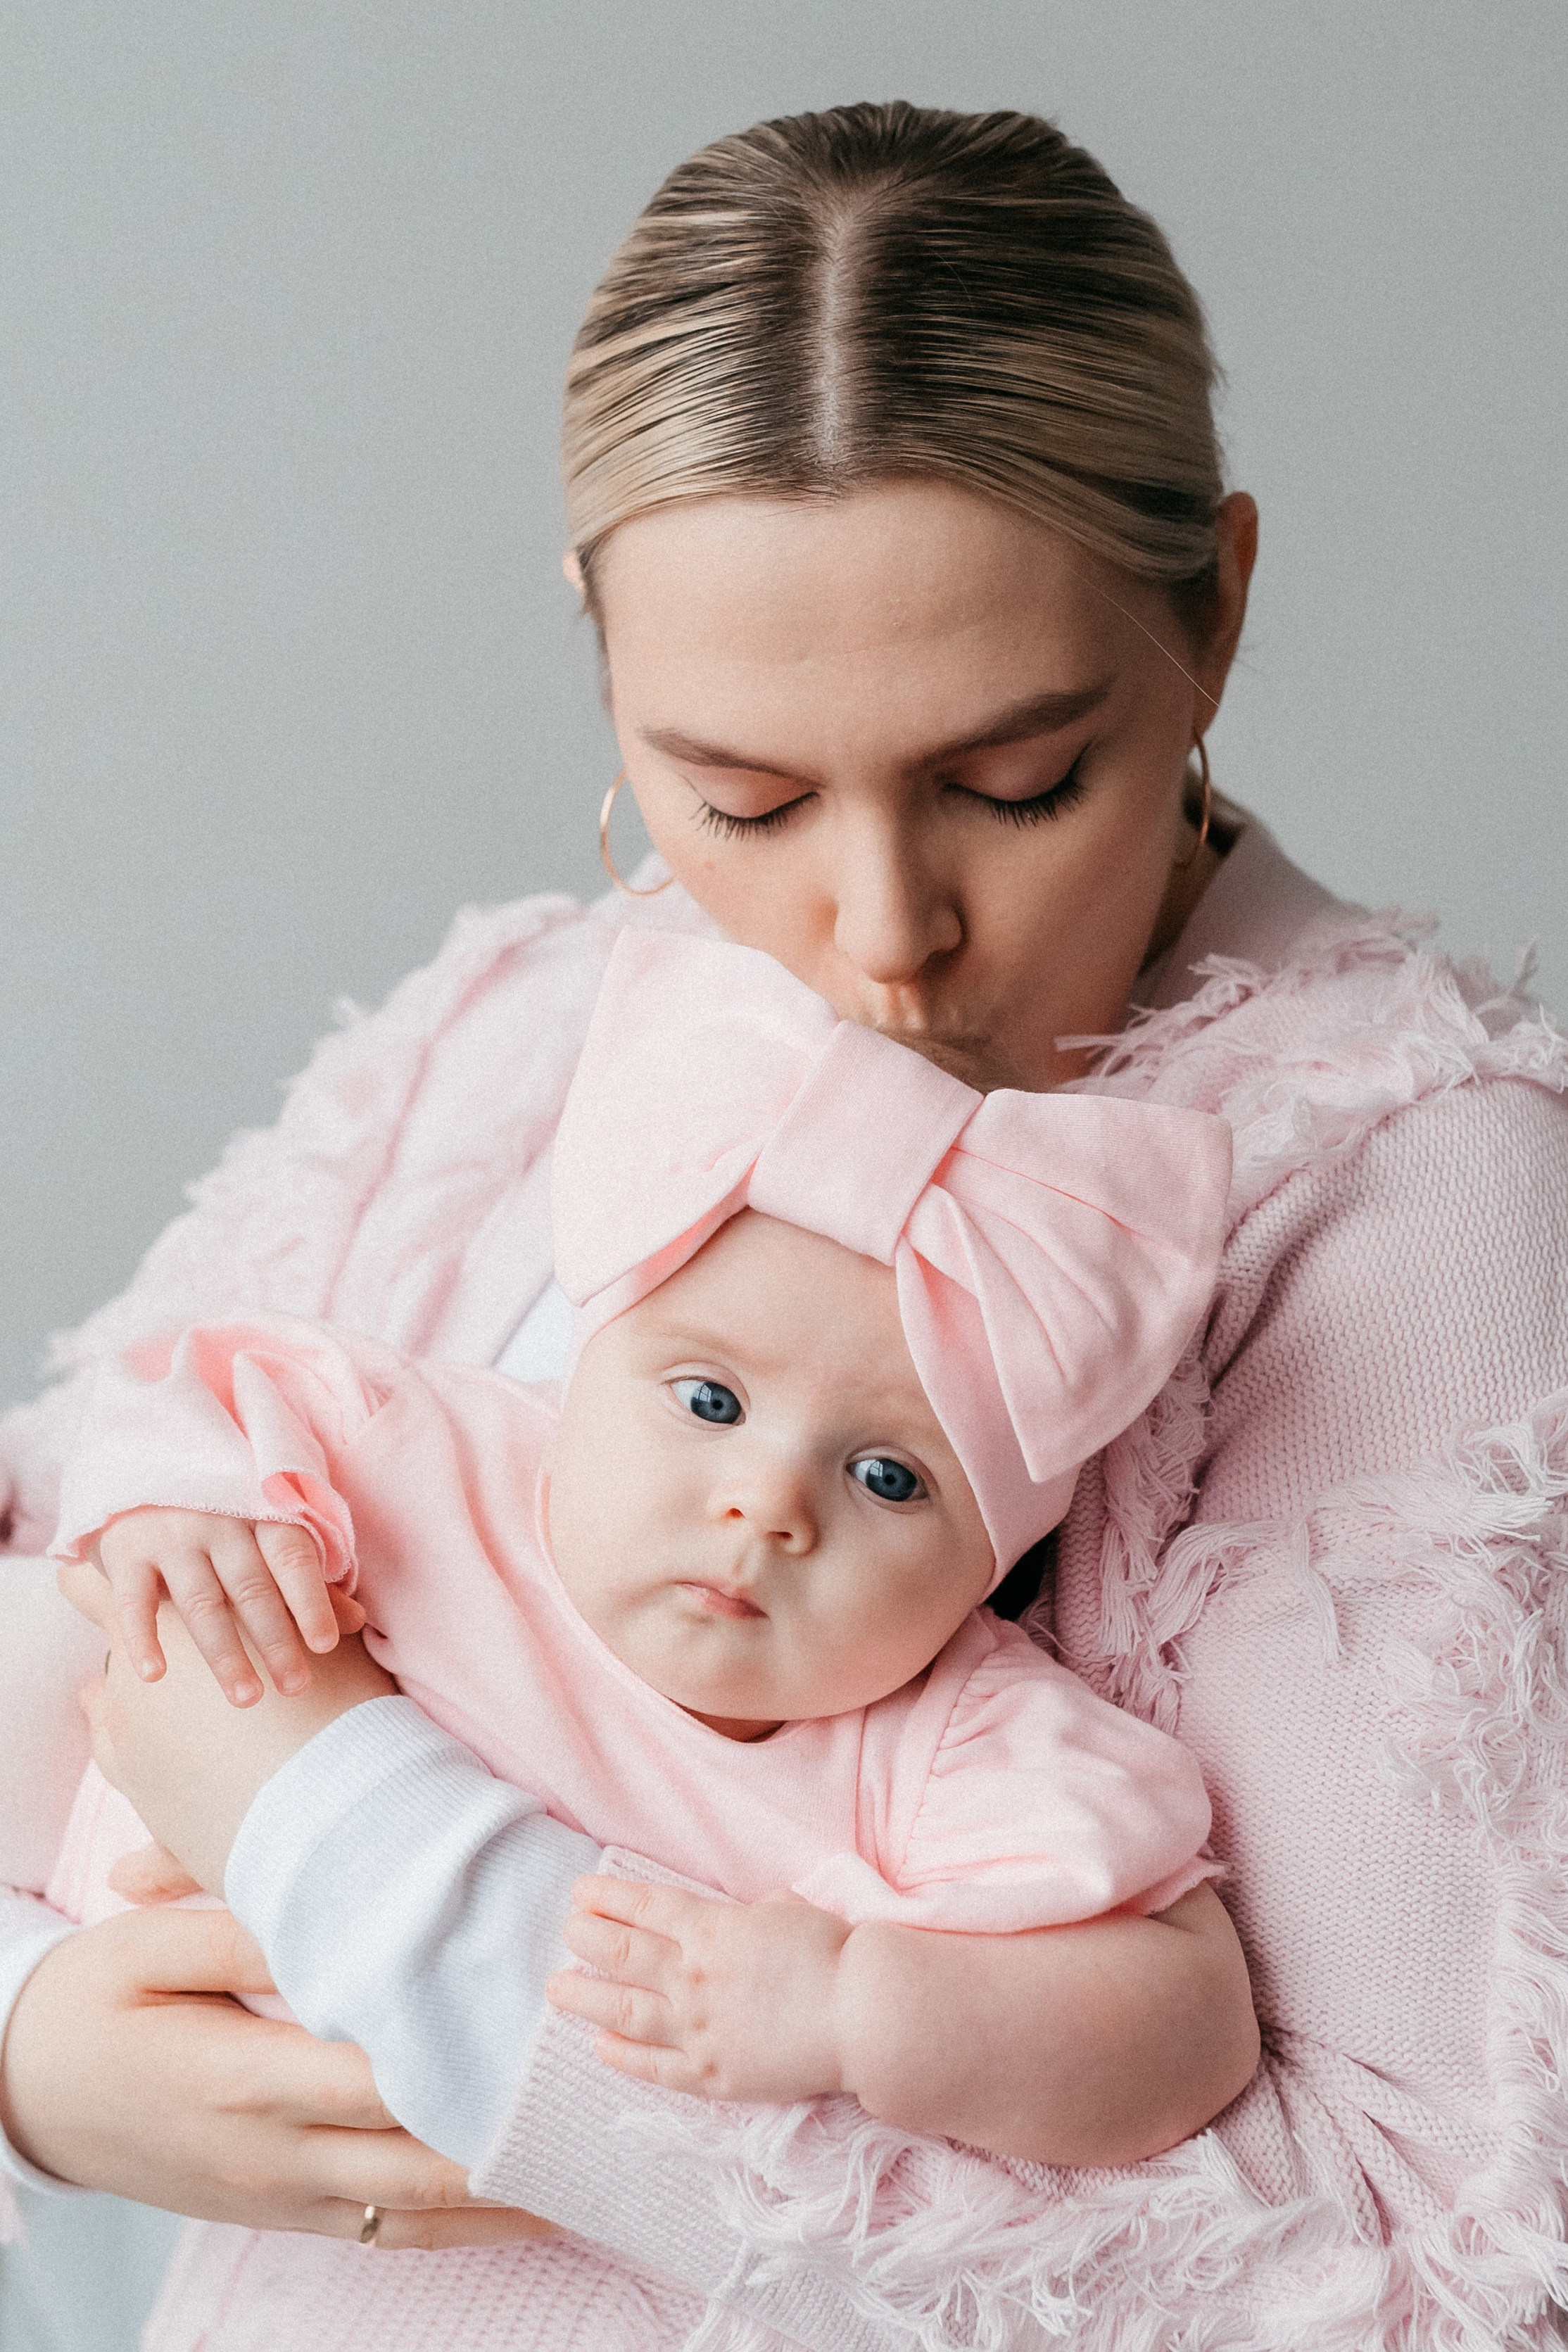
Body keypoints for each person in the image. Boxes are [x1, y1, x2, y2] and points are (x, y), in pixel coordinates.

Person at [2, 95, 1565, 2352]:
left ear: (1215, 611)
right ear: (598, 648)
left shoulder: (1414, 1193)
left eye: (1015, 782)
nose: (875, 934)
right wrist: (45, 2060)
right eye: (732, 794)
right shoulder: (517, 1021)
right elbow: (77, 1560)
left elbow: (1431, 2262)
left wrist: (352, 1849)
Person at [51, 934, 1248, 2267]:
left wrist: (859, 2008)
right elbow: (187, 1383)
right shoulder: (435, 1457)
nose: (770, 1504)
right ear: (589, 1369)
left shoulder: (950, 1746)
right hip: (87, 1944)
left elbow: (1189, 2022)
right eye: (710, 1401)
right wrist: (182, 1515)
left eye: (888, 1477)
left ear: (992, 1567)